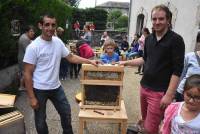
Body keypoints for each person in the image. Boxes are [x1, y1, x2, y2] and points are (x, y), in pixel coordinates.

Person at [23, 13, 97, 134]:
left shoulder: (57, 42)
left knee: (66, 112)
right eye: (47, 24)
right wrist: (31, 97)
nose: (50, 28)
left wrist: (90, 61)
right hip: (39, 89)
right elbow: (27, 73)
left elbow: (71, 57)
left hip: (56, 87)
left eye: (53, 25)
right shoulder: (33, 47)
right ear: (40, 26)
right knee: (41, 120)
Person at [119, 5, 185, 134]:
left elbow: (177, 70)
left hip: (159, 92)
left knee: (150, 128)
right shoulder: (149, 39)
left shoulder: (176, 40)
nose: (157, 22)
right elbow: (144, 59)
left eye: (161, 19)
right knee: (145, 121)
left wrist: (169, 95)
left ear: (168, 20)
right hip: (144, 87)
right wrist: (125, 62)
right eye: (154, 19)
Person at [18, 25, 35, 90]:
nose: (33, 33)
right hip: (23, 59)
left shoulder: (24, 37)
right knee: (25, 72)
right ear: (27, 32)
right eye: (31, 31)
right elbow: (28, 50)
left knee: (23, 72)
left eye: (33, 31)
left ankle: (22, 86)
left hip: (22, 57)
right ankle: (22, 87)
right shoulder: (25, 39)